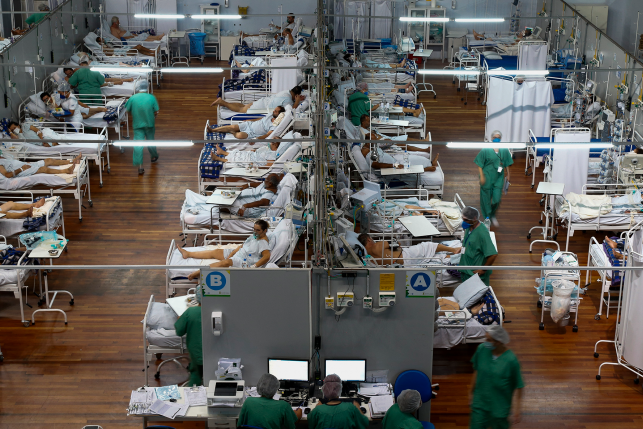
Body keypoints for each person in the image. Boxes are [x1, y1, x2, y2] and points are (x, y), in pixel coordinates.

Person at [469, 325, 524, 429]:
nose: (485, 342)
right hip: (480, 403)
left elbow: (519, 385)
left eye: (489, 340)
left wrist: (517, 409)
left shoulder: (511, 360)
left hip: (499, 407)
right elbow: (476, 370)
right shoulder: (481, 350)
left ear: (498, 342)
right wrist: (471, 392)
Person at [182, 219, 272, 280]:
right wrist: (231, 253)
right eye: (254, 229)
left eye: (258, 230)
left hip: (244, 260)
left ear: (265, 231)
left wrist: (254, 266)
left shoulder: (262, 242)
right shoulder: (254, 236)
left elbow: (267, 257)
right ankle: (188, 254)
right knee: (216, 252)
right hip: (239, 253)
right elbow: (242, 245)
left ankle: (197, 273)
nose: (255, 232)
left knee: (225, 263)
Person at [475, 130, 513, 226]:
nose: (497, 139)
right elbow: (479, 163)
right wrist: (482, 176)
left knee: (496, 199)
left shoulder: (504, 149)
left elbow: (507, 162)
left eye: (498, 137)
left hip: (498, 178)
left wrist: (508, 175)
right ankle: (487, 217)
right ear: (491, 138)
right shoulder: (486, 149)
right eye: (495, 137)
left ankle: (492, 215)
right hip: (487, 176)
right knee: (486, 199)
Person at [360, 142, 441, 187]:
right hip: (392, 168)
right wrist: (393, 165)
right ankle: (427, 168)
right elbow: (375, 165)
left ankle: (430, 163)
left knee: (415, 159)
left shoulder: (373, 151)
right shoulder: (369, 155)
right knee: (410, 171)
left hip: (394, 162)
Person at [358, 233, 460, 266]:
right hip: (406, 255)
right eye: (371, 238)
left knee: (433, 257)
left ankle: (455, 257)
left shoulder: (369, 259)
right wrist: (397, 245)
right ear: (368, 239)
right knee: (427, 246)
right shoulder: (377, 246)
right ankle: (453, 250)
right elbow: (396, 243)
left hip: (403, 264)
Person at [124, 80, 159, 175]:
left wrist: (136, 113)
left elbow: (127, 110)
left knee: (138, 145)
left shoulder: (133, 98)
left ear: (138, 88)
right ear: (147, 88)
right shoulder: (151, 98)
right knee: (151, 140)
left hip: (138, 125)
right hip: (149, 123)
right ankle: (154, 156)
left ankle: (140, 166)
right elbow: (156, 111)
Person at [458, 206, 497, 286]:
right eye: (463, 219)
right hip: (466, 271)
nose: (463, 222)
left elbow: (493, 254)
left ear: (474, 218)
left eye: (466, 220)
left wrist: (483, 269)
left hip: (474, 275)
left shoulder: (482, 233)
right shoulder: (470, 227)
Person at [174, 286, 203, 386]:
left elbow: (179, 331)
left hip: (196, 352)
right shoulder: (221, 311)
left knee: (195, 379)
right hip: (217, 353)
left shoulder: (191, 312)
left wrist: (180, 319)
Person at [360, 115, 433, 151]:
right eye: (368, 121)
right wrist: (384, 140)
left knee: (405, 137)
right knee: (401, 143)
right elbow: (372, 140)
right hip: (380, 143)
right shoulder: (364, 132)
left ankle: (423, 141)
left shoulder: (368, 128)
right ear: (363, 122)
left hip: (385, 139)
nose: (370, 122)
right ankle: (424, 150)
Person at [208, 106, 286, 139]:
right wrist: (250, 120)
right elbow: (261, 118)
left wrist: (257, 139)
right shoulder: (270, 115)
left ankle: (233, 133)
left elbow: (267, 135)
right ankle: (213, 130)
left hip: (253, 133)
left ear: (279, 115)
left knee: (240, 135)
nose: (273, 111)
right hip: (249, 125)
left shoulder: (274, 125)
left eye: (275, 111)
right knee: (233, 126)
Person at [211, 85, 304, 112]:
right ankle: (223, 102)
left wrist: (296, 99)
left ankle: (224, 102)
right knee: (242, 110)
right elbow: (292, 110)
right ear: (296, 95)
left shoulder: (286, 91)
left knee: (243, 106)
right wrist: (297, 101)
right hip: (262, 106)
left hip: (263, 101)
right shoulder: (288, 100)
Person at [0, 153, 82, 178]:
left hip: (27, 165)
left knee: (49, 160)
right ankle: (67, 171)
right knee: (43, 169)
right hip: (22, 170)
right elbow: (7, 175)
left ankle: (72, 161)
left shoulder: (3, 158)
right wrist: (22, 168)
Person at [210, 141, 281, 167]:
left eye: (273, 142)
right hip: (251, 155)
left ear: (276, 146)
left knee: (237, 160)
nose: (271, 141)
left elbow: (268, 166)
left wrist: (255, 167)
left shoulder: (273, 154)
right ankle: (222, 152)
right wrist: (255, 151)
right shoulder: (268, 148)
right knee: (238, 153)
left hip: (252, 161)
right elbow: (260, 152)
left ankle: (217, 158)